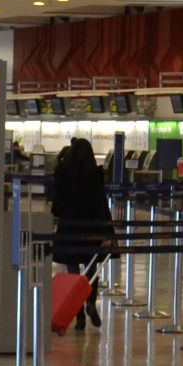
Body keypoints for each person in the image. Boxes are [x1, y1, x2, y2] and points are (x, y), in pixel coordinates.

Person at [51, 138, 115, 330]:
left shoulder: (63, 172)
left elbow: (57, 201)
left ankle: (78, 316)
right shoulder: (95, 173)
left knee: (72, 271)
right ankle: (90, 302)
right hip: (91, 226)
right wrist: (107, 231)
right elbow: (101, 203)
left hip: (69, 226)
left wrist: (58, 214)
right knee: (91, 268)